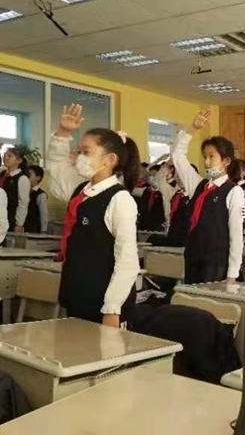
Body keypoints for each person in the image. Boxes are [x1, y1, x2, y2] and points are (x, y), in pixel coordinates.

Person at [47, 104, 141, 328]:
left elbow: (127, 261)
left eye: (86, 152)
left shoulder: (120, 199)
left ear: (109, 160)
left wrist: (112, 308)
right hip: (77, 293)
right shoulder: (81, 190)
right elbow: (56, 169)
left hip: (105, 302)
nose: (79, 157)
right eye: (79, 151)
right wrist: (63, 134)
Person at [171, 109, 244, 284]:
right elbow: (177, 156)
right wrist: (192, 129)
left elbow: (236, 236)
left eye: (212, 156)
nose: (206, 162)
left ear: (226, 161)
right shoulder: (198, 185)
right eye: (204, 156)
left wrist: (233, 273)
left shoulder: (233, 191)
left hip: (216, 263)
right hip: (193, 257)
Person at [0, 146, 30, 233]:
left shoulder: (22, 178)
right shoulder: (2, 174)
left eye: (9, 156)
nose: (6, 157)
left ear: (19, 160)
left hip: (10, 218)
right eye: (5, 155)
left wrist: (19, 223)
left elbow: (23, 203)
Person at [24, 165, 48, 233]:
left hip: (33, 229)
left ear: (38, 177)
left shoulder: (41, 194)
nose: (27, 177)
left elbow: (43, 214)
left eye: (29, 175)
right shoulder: (24, 191)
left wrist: (43, 230)